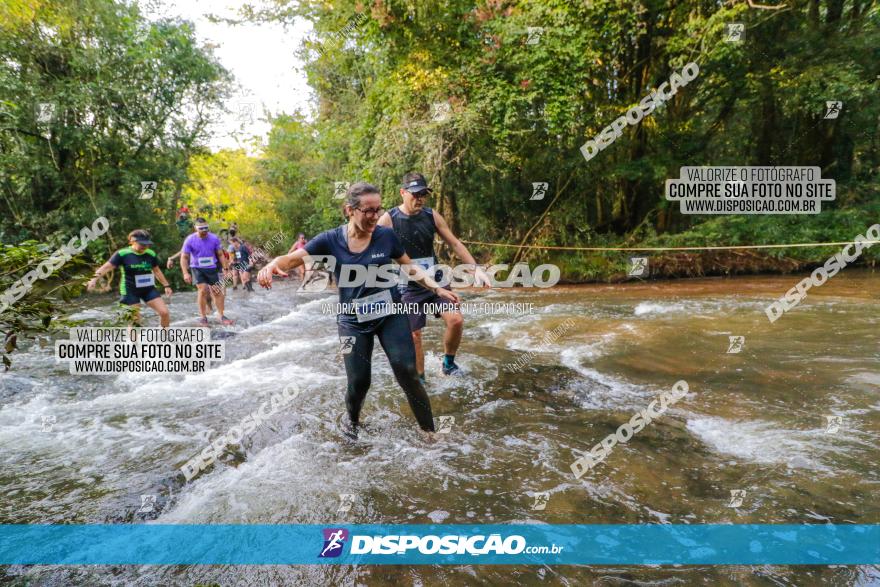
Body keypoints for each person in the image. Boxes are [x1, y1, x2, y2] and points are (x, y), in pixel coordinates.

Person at [258, 182, 460, 437]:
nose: (375, 216)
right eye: (368, 211)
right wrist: (271, 265)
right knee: (359, 381)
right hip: (352, 321)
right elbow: (292, 259)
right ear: (349, 210)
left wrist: (437, 289)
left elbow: (410, 267)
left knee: (407, 372)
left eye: (378, 210)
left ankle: (429, 433)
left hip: (391, 313)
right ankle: (352, 425)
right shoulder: (330, 240)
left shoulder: (386, 236)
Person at [378, 172, 491, 380]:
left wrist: (475, 269)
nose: (419, 198)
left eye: (423, 194)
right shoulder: (389, 219)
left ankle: (448, 363)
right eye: (415, 194)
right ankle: (420, 379)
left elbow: (455, 243)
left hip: (436, 279)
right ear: (402, 193)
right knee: (414, 335)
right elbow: (372, 246)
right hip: (408, 285)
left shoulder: (431, 215)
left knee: (456, 320)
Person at [87, 229, 173, 327]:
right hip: (130, 290)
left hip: (148, 289)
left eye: (147, 244)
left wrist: (166, 285)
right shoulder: (122, 254)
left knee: (164, 312)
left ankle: (165, 338)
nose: (145, 246)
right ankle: (134, 342)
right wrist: (93, 279)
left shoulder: (151, 254)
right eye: (142, 244)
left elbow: (156, 270)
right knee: (135, 319)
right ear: (132, 241)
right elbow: (106, 267)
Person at [180, 218, 233, 326]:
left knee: (217, 291)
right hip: (197, 268)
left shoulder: (214, 238)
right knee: (203, 290)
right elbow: (184, 257)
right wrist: (185, 273)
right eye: (201, 228)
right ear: (195, 228)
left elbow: (220, 254)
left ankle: (221, 315)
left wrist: (226, 268)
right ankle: (203, 317)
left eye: (206, 228)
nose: (204, 230)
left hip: (212, 267)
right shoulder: (190, 239)